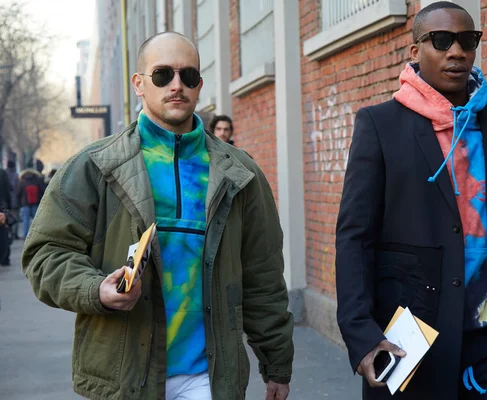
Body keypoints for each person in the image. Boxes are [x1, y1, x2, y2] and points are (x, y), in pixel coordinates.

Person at [22, 31, 293, 400]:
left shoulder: (239, 173)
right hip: (126, 376)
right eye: (163, 75)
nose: (177, 86)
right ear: (139, 84)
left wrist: (277, 363)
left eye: (188, 76)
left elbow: (263, 274)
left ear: (199, 85)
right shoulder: (95, 166)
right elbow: (45, 254)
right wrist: (95, 289)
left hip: (209, 378)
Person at [335, 2, 487, 399]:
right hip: (412, 340)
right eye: (441, 40)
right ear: (416, 51)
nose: (457, 51)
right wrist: (362, 335)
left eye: (467, 40)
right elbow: (355, 237)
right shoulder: (380, 125)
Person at [16, 167, 44, 239]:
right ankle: (38, 234)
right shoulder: (37, 180)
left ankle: (26, 235)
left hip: (25, 203)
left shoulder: (22, 181)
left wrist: (20, 201)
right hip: (36, 203)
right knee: (36, 219)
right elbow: (42, 191)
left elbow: (18, 193)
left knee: (26, 220)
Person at [6, 160, 20, 240]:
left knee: (6, 217)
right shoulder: (15, 175)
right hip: (15, 201)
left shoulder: (4, 175)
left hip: (5, 201)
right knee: (15, 218)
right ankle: (15, 234)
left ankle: (8, 233)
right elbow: (18, 189)